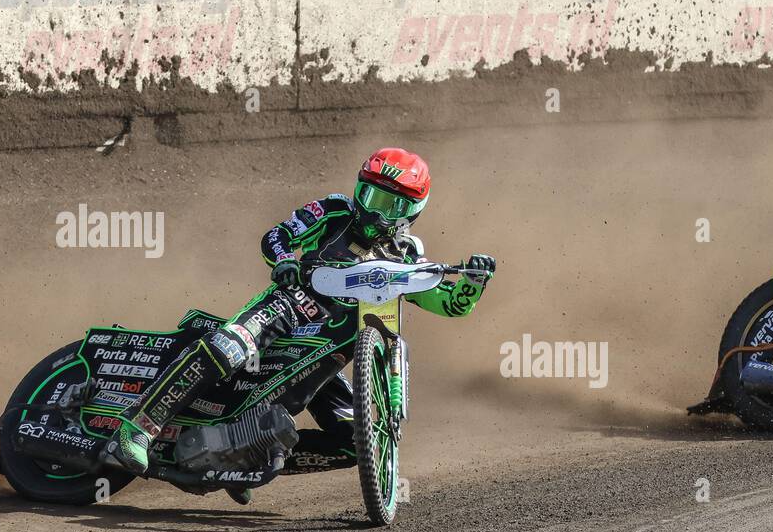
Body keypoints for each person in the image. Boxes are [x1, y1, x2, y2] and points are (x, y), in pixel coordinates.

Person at [100, 147, 496, 492]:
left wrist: (473, 283)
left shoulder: (406, 256)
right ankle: (137, 427)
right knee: (229, 347)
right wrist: (286, 260)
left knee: (354, 442)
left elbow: (449, 304)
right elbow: (277, 236)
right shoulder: (334, 209)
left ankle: (241, 457)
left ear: (411, 211)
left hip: (331, 349)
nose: (373, 209)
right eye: (369, 194)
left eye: (388, 204)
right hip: (288, 308)